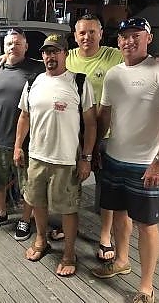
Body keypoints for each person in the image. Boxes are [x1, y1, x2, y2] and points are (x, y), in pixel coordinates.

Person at [14, 34, 97, 276]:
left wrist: (87, 157)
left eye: (56, 51)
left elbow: (91, 124)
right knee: (37, 201)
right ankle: (41, 239)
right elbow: (24, 117)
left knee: (68, 208)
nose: (50, 56)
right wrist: (18, 145)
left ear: (65, 54)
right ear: (42, 56)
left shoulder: (79, 83)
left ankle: (69, 253)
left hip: (66, 160)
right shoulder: (33, 82)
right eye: (46, 52)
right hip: (37, 156)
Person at [91, 17, 159, 303]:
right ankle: (121, 261)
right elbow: (105, 114)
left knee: (147, 225)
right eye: (124, 37)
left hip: (146, 163)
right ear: (117, 41)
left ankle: (146, 287)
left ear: (148, 38)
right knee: (119, 214)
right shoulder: (113, 74)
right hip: (114, 157)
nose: (129, 41)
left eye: (136, 35)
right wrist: (96, 148)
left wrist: (158, 162)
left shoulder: (157, 70)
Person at [65, 14, 124, 261]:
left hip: (108, 135)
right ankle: (67, 225)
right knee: (70, 183)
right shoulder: (67, 58)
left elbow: (144, 61)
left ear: (101, 33)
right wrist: (4, 57)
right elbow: (39, 66)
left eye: (92, 32)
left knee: (106, 187)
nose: (87, 37)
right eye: (82, 33)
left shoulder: (113, 56)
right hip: (74, 135)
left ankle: (105, 236)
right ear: (75, 36)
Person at [0, 27, 44, 242]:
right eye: (9, 43)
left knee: (27, 184)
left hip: (25, 140)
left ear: (26, 46)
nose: (13, 47)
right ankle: (1, 212)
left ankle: (25, 219)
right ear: (3, 46)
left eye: (18, 43)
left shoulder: (37, 68)